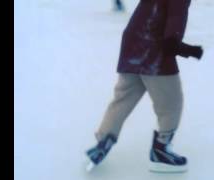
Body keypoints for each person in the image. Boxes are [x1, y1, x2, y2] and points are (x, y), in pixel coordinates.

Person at [86, 0, 203, 173]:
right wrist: (192, 51)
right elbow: (171, 41)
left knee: (123, 98)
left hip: (132, 46)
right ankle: (161, 151)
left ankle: (103, 142)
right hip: (154, 55)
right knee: (171, 104)